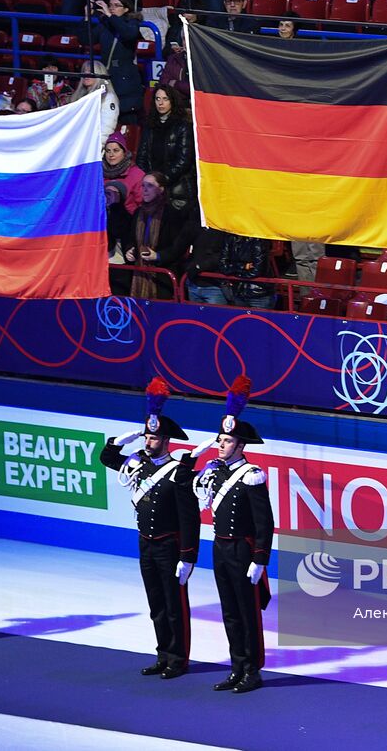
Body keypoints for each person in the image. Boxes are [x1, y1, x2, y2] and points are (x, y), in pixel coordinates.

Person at [100, 378, 203, 679]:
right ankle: (162, 654)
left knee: (174, 605)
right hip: (145, 543)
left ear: (167, 440)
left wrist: (188, 556)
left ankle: (178, 658)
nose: (148, 442)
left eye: (153, 439)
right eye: (146, 437)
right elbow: (107, 458)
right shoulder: (138, 464)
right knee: (156, 603)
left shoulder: (178, 472)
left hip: (170, 545)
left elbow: (189, 518)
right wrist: (119, 441)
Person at [192, 376, 271, 694]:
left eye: (225, 441)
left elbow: (265, 522)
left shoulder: (252, 476)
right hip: (220, 548)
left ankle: (252, 669)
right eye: (220, 440)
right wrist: (189, 460)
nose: (219, 444)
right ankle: (236, 666)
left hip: (243, 550)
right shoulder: (213, 470)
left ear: (240, 445)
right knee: (229, 611)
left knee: (247, 612)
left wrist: (260, 560)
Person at [126, 171, 199, 299]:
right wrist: (130, 249)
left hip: (162, 276)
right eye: (143, 186)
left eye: (150, 186)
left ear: (161, 189)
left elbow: (178, 247)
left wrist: (158, 255)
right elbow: (131, 238)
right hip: (139, 274)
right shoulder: (138, 212)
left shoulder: (171, 214)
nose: (145, 190)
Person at [137, 84, 194, 200]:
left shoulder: (182, 126)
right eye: (158, 99)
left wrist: (162, 179)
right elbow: (141, 156)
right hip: (151, 183)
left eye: (165, 99)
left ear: (172, 101)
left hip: (176, 186)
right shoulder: (150, 125)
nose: (161, 103)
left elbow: (184, 160)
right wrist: (149, 180)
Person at [93, 0, 145, 121]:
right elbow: (86, 39)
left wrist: (111, 17)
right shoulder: (105, 23)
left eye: (116, 5)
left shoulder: (132, 22)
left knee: (125, 118)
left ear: (126, 9)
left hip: (125, 79)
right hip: (107, 74)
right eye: (110, 5)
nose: (111, 8)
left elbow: (128, 34)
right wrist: (87, 17)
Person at [70, 60, 122, 149]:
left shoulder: (108, 97)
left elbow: (106, 129)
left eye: (91, 71)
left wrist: (94, 148)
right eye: (84, 71)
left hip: (92, 148)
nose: (86, 74)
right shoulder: (78, 96)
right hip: (75, 144)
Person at [218, 231, 277, 308]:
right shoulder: (230, 237)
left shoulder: (259, 239)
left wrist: (233, 271)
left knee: (260, 320)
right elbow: (223, 266)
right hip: (237, 292)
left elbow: (257, 271)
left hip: (259, 294)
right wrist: (244, 266)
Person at [104, 132, 146, 212]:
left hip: (127, 220)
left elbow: (142, 205)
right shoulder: (99, 173)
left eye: (116, 150)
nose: (111, 154)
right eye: (108, 151)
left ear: (124, 152)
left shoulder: (137, 175)